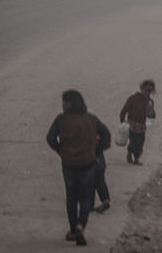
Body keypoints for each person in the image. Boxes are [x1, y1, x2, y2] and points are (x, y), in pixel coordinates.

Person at [46, 90, 109, 246]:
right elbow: (106, 136)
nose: (62, 104)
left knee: (72, 197)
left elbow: (50, 138)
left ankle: (73, 230)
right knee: (86, 197)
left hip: (69, 164)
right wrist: (96, 151)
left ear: (68, 103)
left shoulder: (61, 120)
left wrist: (60, 150)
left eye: (63, 101)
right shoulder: (91, 119)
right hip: (88, 163)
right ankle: (81, 225)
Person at [119, 80, 156, 165]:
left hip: (142, 126)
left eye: (149, 91)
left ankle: (136, 158)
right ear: (141, 88)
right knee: (133, 142)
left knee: (140, 144)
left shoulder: (149, 101)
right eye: (146, 90)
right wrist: (122, 121)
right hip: (131, 125)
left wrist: (151, 113)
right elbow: (124, 110)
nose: (147, 92)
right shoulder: (133, 98)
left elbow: (151, 115)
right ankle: (129, 153)